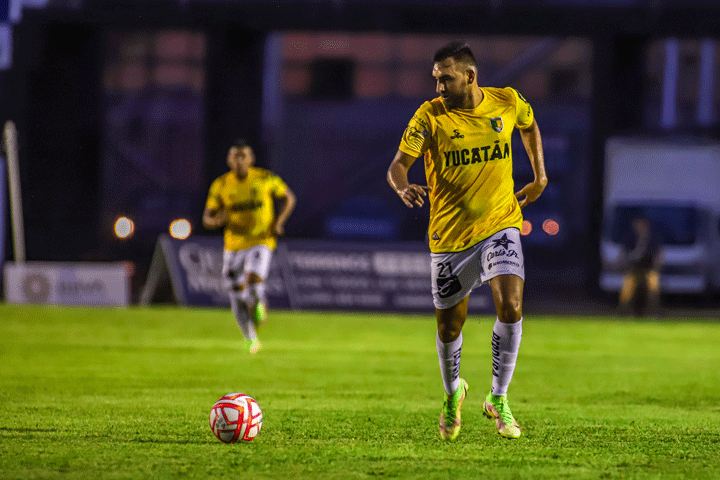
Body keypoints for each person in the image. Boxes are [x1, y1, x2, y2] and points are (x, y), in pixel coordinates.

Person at [387, 41, 547, 440]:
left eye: (445, 78)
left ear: (469, 76)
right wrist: (402, 187)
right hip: (450, 236)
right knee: (448, 328)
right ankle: (452, 392)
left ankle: (499, 397)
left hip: (501, 223)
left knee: (510, 306)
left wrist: (539, 175)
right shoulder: (429, 116)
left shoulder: (506, 102)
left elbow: (528, 124)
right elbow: (398, 165)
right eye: (435, 79)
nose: (438, 86)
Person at [203, 138, 296, 354]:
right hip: (234, 244)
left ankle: (258, 301)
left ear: (251, 159)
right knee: (235, 293)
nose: (239, 161)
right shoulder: (221, 184)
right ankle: (251, 339)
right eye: (235, 156)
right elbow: (207, 216)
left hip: (261, 241)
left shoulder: (264, 178)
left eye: (243, 156)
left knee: (253, 282)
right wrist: (215, 221)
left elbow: (289, 198)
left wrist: (279, 222)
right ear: (229, 159)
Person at [618, 217, 662, 316]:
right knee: (627, 289)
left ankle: (654, 313)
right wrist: (623, 264)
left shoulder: (652, 239)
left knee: (653, 288)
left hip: (648, 268)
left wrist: (657, 266)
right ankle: (624, 313)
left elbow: (659, 253)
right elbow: (622, 252)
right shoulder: (631, 238)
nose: (639, 227)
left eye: (641, 225)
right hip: (633, 268)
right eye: (637, 225)